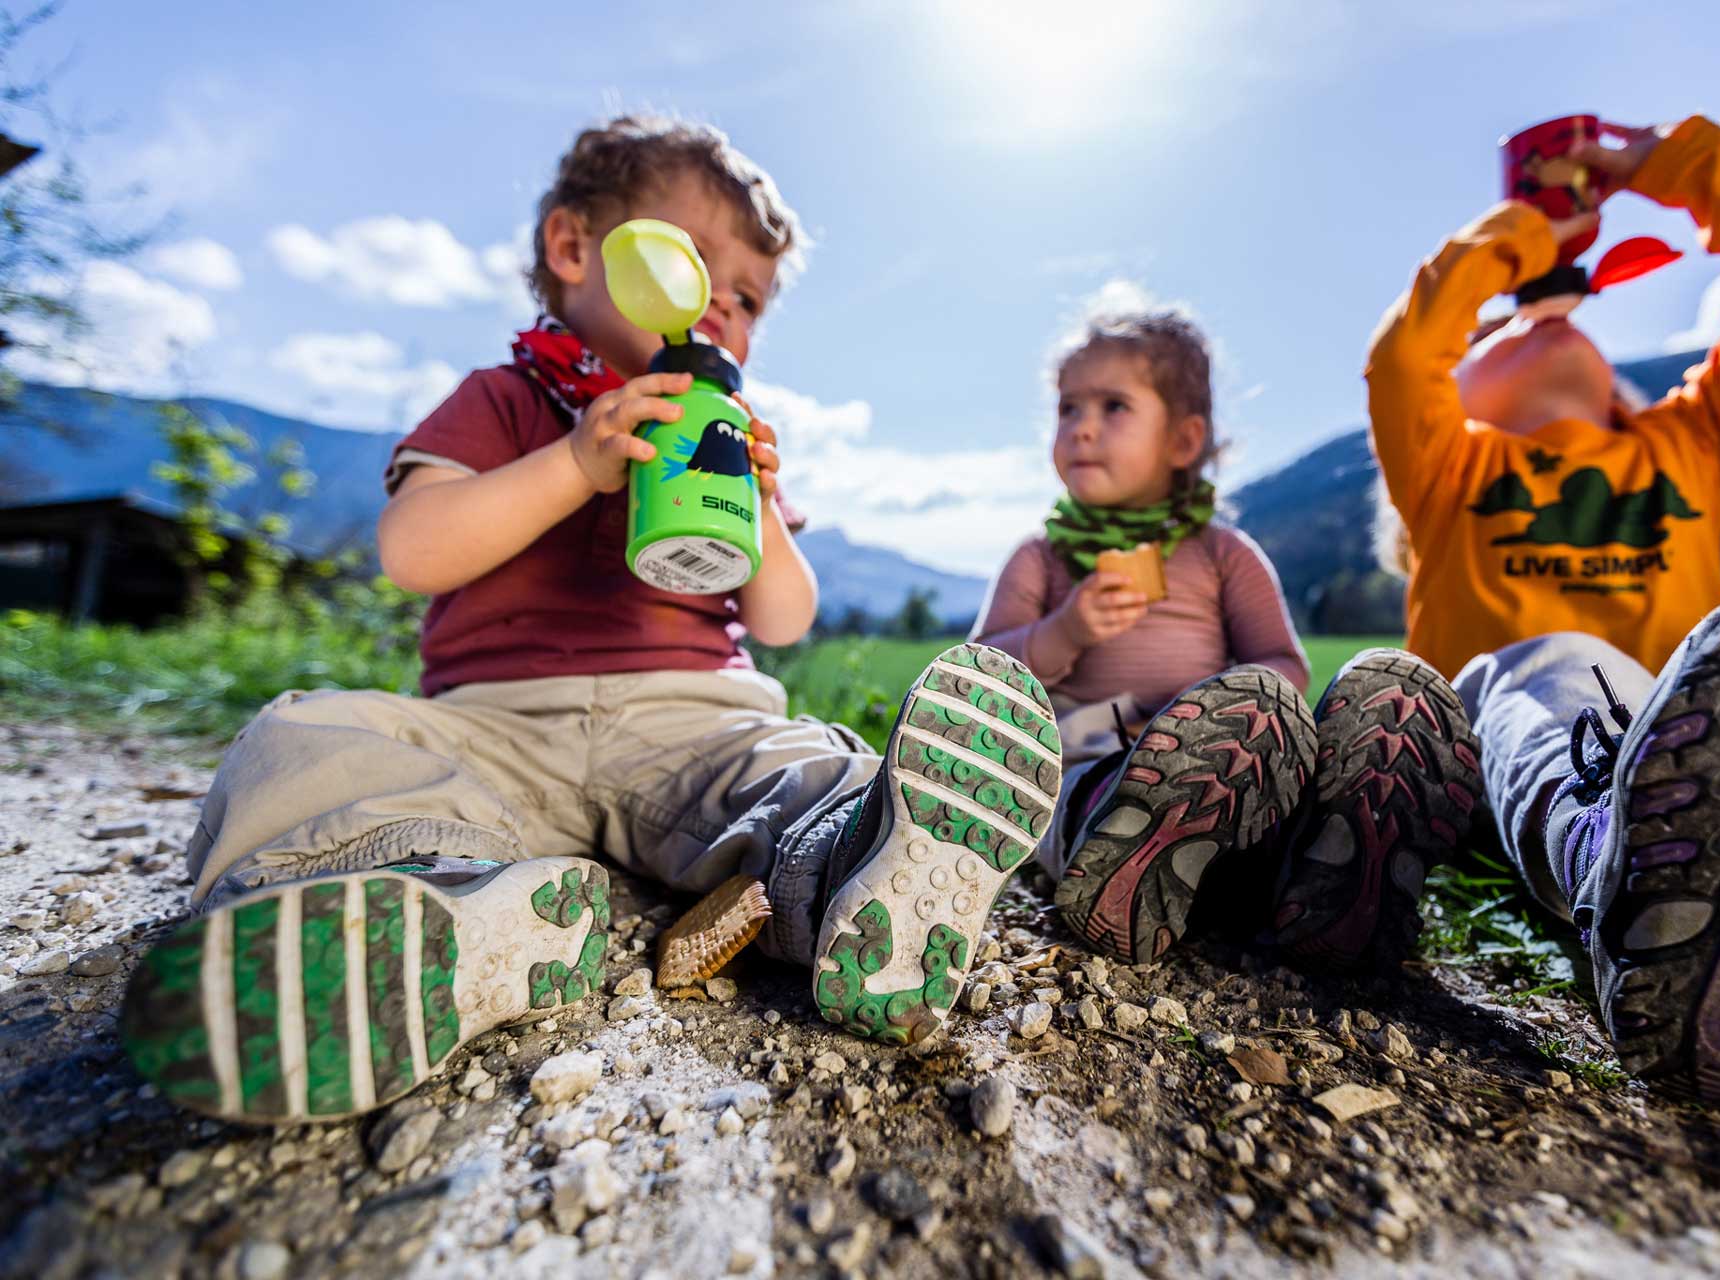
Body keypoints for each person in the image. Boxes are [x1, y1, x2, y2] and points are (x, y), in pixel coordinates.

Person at [119, 115, 1062, 1124]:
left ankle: (869, 871)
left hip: (692, 721)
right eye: (695, 271)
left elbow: (784, 618)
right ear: (575, 251)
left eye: (746, 301)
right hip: (497, 726)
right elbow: (412, 547)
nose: (721, 313)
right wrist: (573, 461)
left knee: (799, 765)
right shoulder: (506, 401)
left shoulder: (722, 438)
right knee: (303, 736)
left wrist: (764, 518)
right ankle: (436, 903)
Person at [1368, 115, 1720, 1108]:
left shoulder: (1688, 443)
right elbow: (1406, 360)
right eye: (1501, 325)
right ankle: (1634, 873)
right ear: (1464, 397)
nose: (1545, 317)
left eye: (1568, 313)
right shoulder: (1456, 472)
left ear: (1623, 385)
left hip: (1713, 740)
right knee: (1557, 660)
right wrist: (1529, 240)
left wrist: (1657, 163)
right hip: (1537, 743)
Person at [974, 295, 1482, 969]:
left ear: (1183, 440)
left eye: (1112, 407)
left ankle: (1331, 865)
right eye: (1068, 407)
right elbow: (980, 675)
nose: (1081, 429)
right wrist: (1064, 632)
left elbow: (1283, 665)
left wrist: (1211, 717)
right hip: (1084, 756)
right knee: (1074, 786)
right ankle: (1128, 840)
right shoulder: (1042, 557)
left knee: (1264, 732)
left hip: (1235, 776)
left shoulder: (1222, 554)